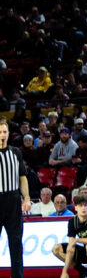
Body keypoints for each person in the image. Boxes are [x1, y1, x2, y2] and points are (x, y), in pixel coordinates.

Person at [0, 119, 30, 278]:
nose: (2, 135)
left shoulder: (16, 152)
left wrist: (26, 198)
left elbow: (22, 177)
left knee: (16, 244)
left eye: (4, 132)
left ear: (8, 133)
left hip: (12, 201)